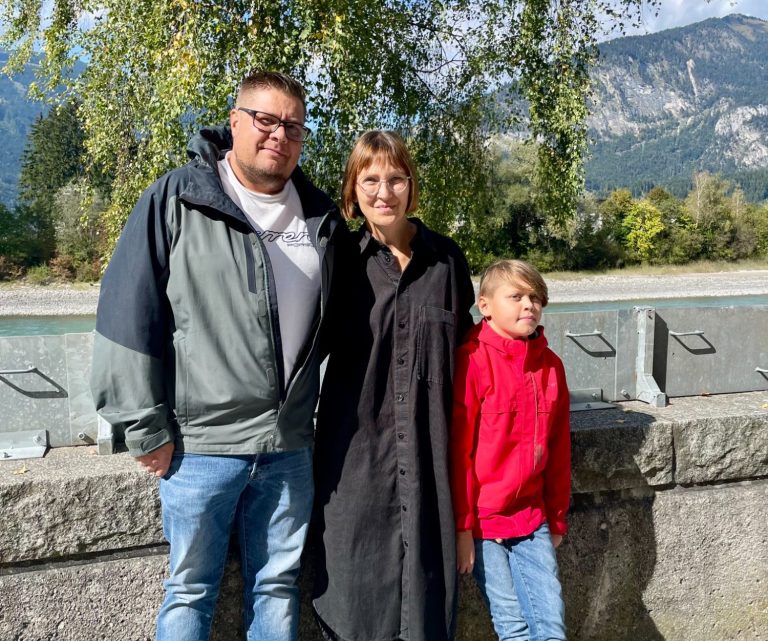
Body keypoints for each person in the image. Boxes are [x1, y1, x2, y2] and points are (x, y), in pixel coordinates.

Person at [90, 70, 347, 641]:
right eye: (265, 119)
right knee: (189, 591)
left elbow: (345, 328)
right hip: (200, 446)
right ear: (234, 122)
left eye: (293, 126)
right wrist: (143, 425)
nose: (278, 134)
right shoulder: (179, 197)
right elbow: (127, 313)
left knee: (277, 588)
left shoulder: (321, 219)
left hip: (288, 448)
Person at [311, 130, 476, 641]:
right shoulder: (338, 262)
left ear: (412, 186)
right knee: (354, 599)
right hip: (356, 465)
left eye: (396, 178)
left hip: (431, 465)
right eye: (371, 179)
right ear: (352, 189)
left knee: (427, 604)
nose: (385, 191)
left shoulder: (447, 262)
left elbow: (476, 361)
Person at [450, 259, 571, 641]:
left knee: (550, 625)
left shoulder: (551, 367)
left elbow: (558, 449)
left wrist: (557, 517)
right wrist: (463, 529)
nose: (528, 306)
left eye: (536, 298)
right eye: (516, 296)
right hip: (484, 524)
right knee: (513, 626)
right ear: (484, 305)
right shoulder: (471, 360)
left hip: (532, 519)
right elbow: (459, 453)